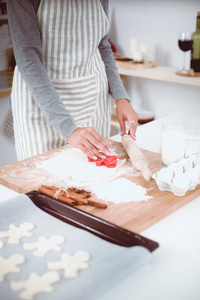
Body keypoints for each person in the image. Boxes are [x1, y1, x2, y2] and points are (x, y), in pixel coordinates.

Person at [7, 0, 138, 161]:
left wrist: (121, 97)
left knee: (94, 180)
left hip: (92, 102)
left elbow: (102, 46)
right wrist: (68, 127)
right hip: (40, 108)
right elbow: (28, 58)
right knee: (43, 183)